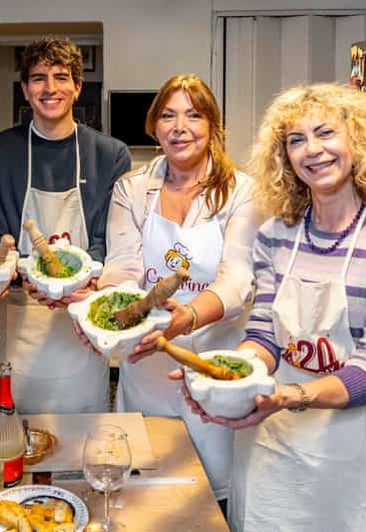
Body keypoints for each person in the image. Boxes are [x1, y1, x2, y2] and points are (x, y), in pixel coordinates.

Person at [173, 83, 366, 530]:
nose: (313, 150)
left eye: (325, 133)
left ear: (358, 142)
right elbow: (266, 340)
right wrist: (226, 371)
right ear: (285, 158)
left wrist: (289, 395)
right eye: (296, 140)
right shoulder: (276, 236)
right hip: (279, 467)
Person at [81, 74, 263, 506]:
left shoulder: (243, 191)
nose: (179, 127)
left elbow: (237, 277)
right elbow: (123, 264)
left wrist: (186, 317)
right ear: (154, 125)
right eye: (168, 115)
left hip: (214, 362)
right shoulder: (133, 189)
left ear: (212, 126)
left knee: (209, 499)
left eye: (193, 115)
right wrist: (115, 316)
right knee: (145, 493)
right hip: (145, 363)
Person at [0, 37, 131, 413]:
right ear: (26, 89)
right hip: (19, 311)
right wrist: (32, 276)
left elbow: (108, 239)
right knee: (13, 433)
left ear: (77, 87)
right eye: (38, 78)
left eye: (61, 77)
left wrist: (74, 281)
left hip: (82, 312)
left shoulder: (110, 154)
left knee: (81, 439)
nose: (50, 88)